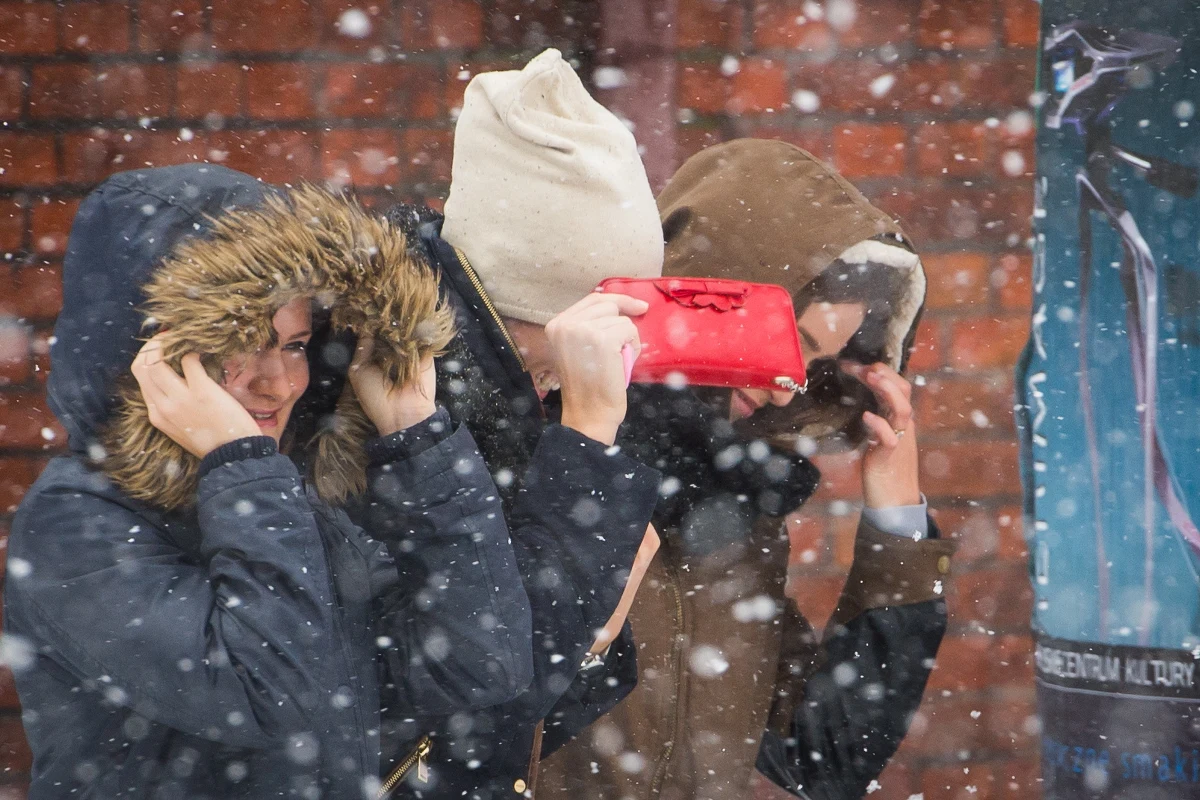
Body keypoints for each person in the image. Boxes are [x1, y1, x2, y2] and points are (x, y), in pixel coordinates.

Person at [3, 163, 537, 799]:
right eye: (242, 341)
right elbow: (267, 696)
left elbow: (482, 666)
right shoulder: (77, 524)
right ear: (151, 355)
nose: (278, 381)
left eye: (294, 344)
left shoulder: (292, 494)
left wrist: (416, 433)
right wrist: (243, 462)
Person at [537, 139, 957, 800]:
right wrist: (586, 617)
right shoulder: (543, 458)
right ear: (707, 290)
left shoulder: (735, 506)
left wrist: (898, 523)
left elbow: (825, 757)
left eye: (816, 361)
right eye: (784, 341)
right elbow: (463, 735)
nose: (791, 388)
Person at [376, 48, 665, 797]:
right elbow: (497, 686)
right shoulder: (404, 405)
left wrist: (596, 641)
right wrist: (592, 432)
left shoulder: (496, 395)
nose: (579, 364)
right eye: (578, 330)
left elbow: (524, 723)